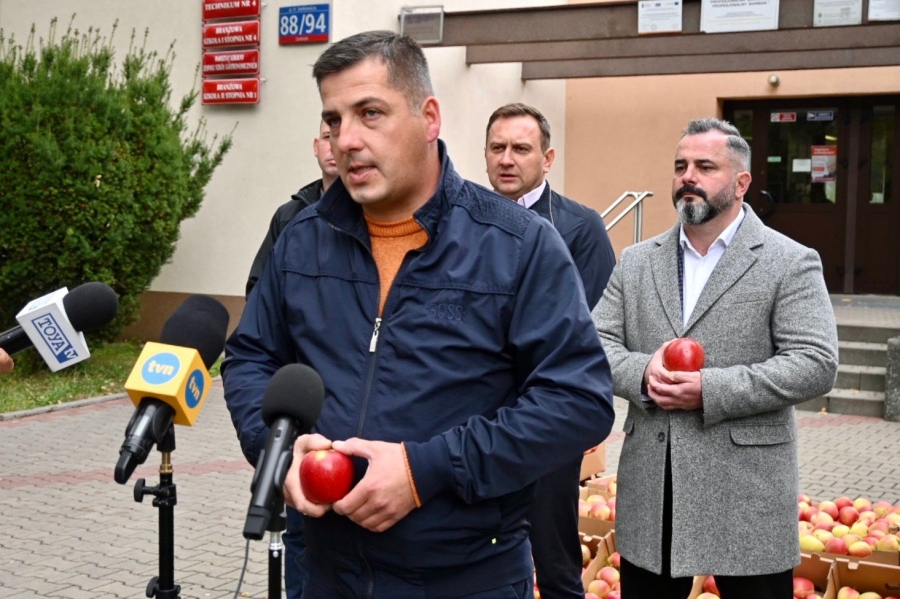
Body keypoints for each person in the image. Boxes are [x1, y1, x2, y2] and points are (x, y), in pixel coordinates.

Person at [223, 30, 615, 599]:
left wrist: (425, 471)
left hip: (467, 576)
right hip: (324, 571)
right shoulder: (301, 239)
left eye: (370, 113)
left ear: (429, 117)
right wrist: (276, 448)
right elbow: (250, 357)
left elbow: (578, 402)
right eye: (333, 120)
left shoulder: (519, 245)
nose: (346, 140)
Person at [592, 118, 839, 599]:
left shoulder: (789, 260)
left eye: (705, 167)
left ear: (742, 183)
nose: (688, 176)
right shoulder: (637, 261)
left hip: (746, 492)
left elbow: (816, 362)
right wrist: (641, 373)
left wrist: (711, 389)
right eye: (680, 166)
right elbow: (594, 343)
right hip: (654, 489)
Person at [484, 103, 615, 599]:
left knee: (554, 555)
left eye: (521, 148)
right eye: (497, 148)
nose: (507, 159)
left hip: (544, 419)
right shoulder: (463, 222)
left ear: (548, 158)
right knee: (480, 553)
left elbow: (592, 332)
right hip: (475, 417)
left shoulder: (580, 227)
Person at [237, 119, 339, 599]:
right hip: (303, 409)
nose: (340, 144)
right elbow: (259, 307)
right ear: (316, 146)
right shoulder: (292, 218)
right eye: (329, 133)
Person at [245, 119, 339, 297]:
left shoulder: (374, 214)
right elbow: (259, 289)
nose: (334, 147)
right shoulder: (288, 216)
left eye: (341, 137)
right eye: (328, 137)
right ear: (316, 147)